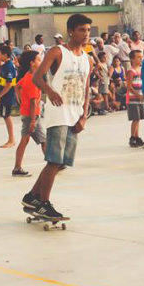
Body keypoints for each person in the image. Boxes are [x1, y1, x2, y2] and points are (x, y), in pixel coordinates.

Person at [21, 14, 93, 221]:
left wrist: (84, 116)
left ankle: (32, 196)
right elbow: (37, 77)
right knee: (54, 160)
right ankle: (44, 203)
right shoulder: (58, 52)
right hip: (58, 113)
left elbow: (86, 88)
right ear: (71, 31)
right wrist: (50, 92)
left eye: (88, 30)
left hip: (75, 115)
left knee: (61, 163)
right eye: (82, 30)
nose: (86, 34)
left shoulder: (86, 58)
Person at [13, 50, 45, 177]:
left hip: (29, 114)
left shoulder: (28, 76)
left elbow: (16, 86)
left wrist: (20, 99)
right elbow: (32, 103)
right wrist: (32, 121)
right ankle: (53, 164)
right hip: (31, 116)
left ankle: (17, 167)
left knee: (29, 140)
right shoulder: (32, 80)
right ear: (32, 63)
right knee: (42, 140)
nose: (40, 62)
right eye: (38, 60)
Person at [126, 50, 144, 147]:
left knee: (138, 118)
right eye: (138, 57)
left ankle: (137, 137)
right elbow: (129, 86)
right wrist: (138, 95)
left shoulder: (141, 69)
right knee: (135, 118)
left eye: (141, 57)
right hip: (133, 99)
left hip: (140, 98)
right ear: (132, 59)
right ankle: (132, 137)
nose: (141, 59)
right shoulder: (131, 71)